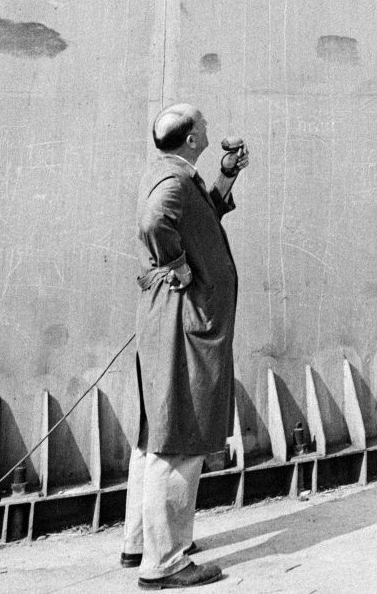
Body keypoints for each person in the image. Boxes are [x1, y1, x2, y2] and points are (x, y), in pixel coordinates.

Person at [121, 104, 248, 589]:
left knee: (155, 434)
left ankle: (139, 544)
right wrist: (178, 266)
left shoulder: (170, 172)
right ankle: (166, 563)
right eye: (205, 130)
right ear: (192, 138)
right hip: (185, 321)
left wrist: (226, 177)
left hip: (169, 319)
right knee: (180, 434)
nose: (211, 133)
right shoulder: (172, 184)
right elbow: (158, 223)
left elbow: (199, 220)